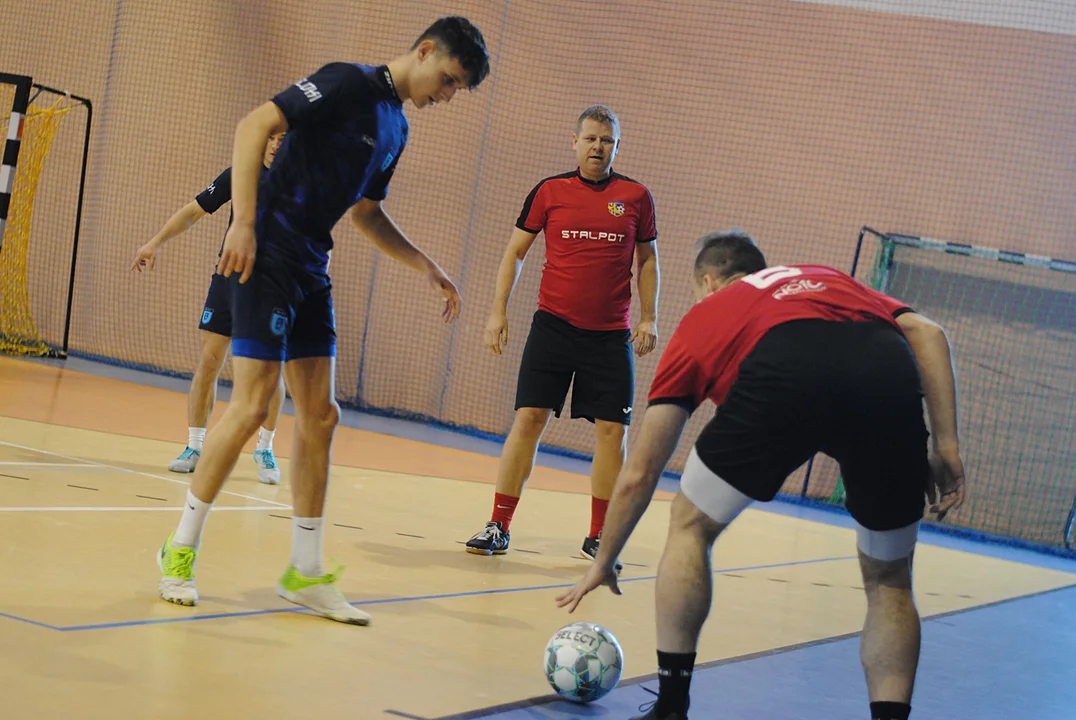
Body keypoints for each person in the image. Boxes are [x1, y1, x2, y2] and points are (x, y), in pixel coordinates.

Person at [155, 16, 491, 625]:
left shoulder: (398, 127)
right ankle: (179, 548)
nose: (447, 95)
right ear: (424, 51)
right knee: (253, 407)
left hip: (312, 266)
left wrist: (424, 264)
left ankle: (305, 573)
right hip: (266, 254)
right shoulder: (346, 83)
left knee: (320, 415)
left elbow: (365, 214)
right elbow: (255, 124)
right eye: (448, 80)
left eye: (455, 90)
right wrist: (244, 222)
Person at [556, 230, 967, 720]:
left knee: (690, 524)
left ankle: (671, 706)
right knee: (891, 582)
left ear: (709, 281)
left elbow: (641, 470)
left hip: (783, 366)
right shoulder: (829, 278)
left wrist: (605, 558)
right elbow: (928, 333)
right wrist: (945, 445)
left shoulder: (709, 313)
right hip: (883, 368)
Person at [465, 105, 660, 568]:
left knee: (614, 433)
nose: (598, 147)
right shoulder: (549, 191)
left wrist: (649, 317)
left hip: (610, 335)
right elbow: (515, 252)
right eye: (590, 138)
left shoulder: (635, 197)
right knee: (529, 419)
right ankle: (498, 525)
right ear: (574, 142)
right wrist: (498, 311)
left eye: (606, 140)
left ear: (617, 146)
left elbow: (647, 259)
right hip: (552, 327)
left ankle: (599, 537)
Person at [133, 133, 288, 484]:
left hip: (272, 286)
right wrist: (155, 242)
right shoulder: (240, 174)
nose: (278, 145)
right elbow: (193, 211)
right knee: (209, 360)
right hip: (229, 278)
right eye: (273, 138)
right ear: (263, 141)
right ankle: (194, 447)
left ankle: (265, 448)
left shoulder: (298, 182)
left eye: (285, 139)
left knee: (270, 371)